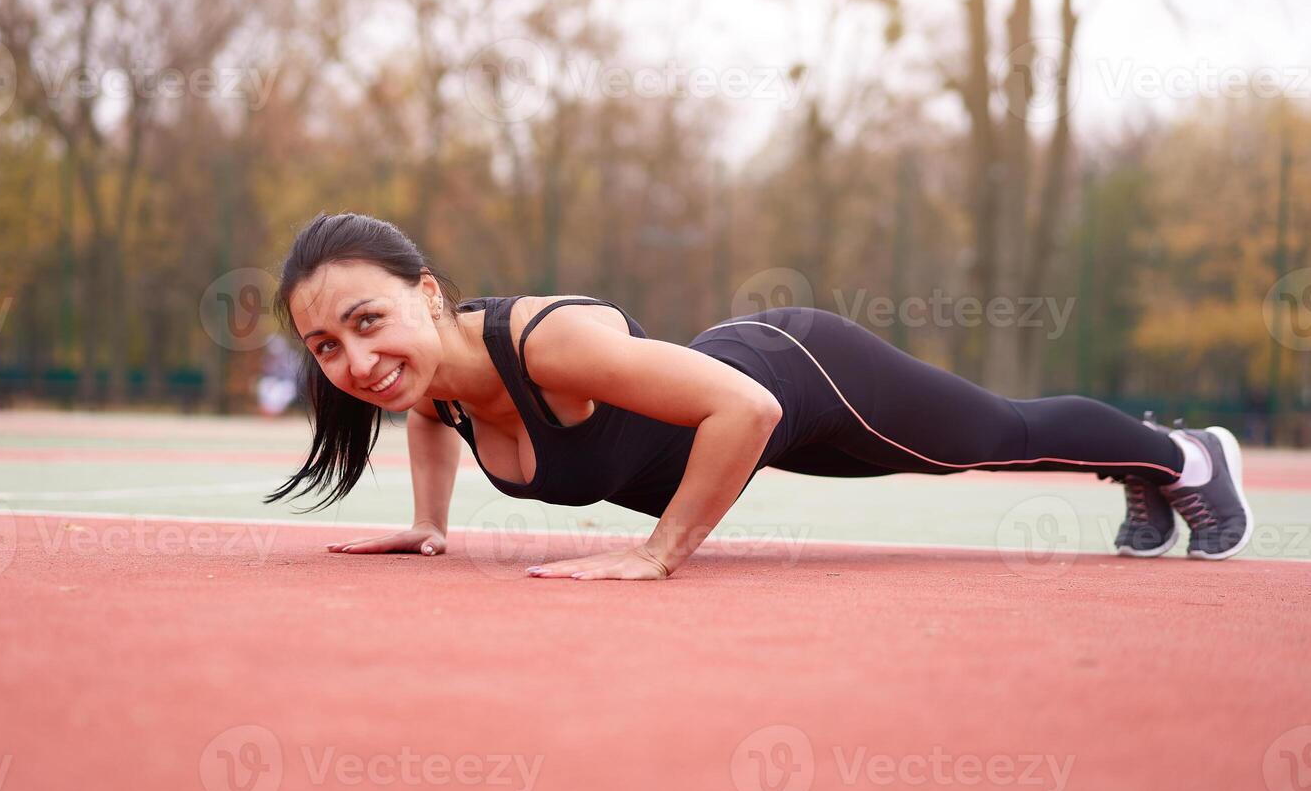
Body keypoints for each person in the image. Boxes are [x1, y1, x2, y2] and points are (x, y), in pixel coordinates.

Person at [265, 212, 1253, 580]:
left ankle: (1190, 456)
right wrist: (428, 526)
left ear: (426, 294)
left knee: (989, 439)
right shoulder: (431, 382)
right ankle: (1149, 457)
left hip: (798, 375)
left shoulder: (543, 341)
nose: (356, 359)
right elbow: (432, 421)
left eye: (367, 319)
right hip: (749, 428)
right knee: (976, 444)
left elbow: (748, 409)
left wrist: (657, 554)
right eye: (326, 345)